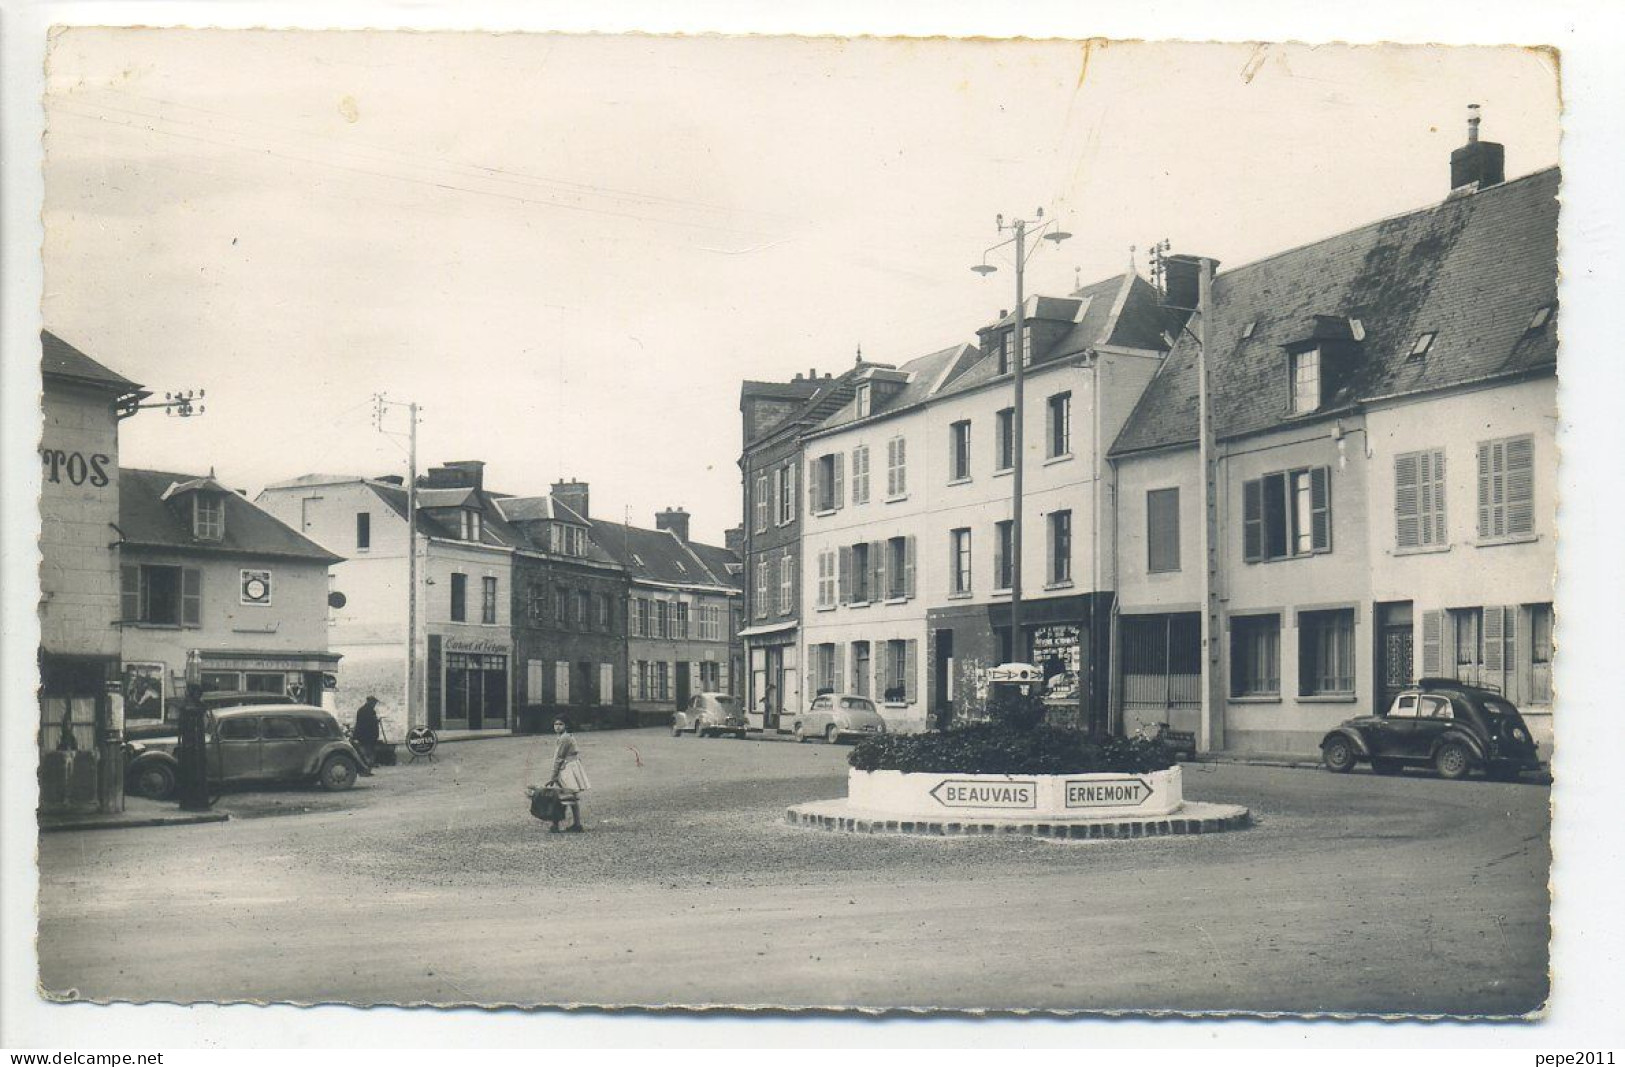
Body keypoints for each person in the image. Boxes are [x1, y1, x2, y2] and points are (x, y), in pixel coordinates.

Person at [539, 716, 589, 833]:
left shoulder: (564, 738)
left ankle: (559, 825)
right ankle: (575, 824)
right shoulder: (565, 736)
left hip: (567, 768)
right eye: (555, 724)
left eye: (560, 724)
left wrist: (553, 776)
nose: (557, 727)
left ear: (566, 725)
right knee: (569, 796)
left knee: (562, 796)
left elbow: (559, 758)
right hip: (570, 766)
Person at [352, 696, 381, 768]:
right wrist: (377, 721)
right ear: (370, 702)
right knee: (369, 750)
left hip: (361, 734)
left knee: (364, 749)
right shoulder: (371, 711)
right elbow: (371, 723)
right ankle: (369, 763)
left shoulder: (361, 710)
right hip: (369, 734)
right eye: (374, 703)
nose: (374, 705)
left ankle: (365, 763)